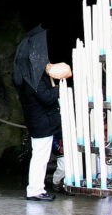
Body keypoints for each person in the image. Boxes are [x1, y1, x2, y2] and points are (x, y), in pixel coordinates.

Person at [13, 24, 72, 201]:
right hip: (41, 123)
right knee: (40, 157)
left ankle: (37, 189)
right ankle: (35, 190)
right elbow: (46, 98)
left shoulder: (27, 77)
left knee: (40, 156)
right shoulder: (33, 80)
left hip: (40, 122)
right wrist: (60, 86)